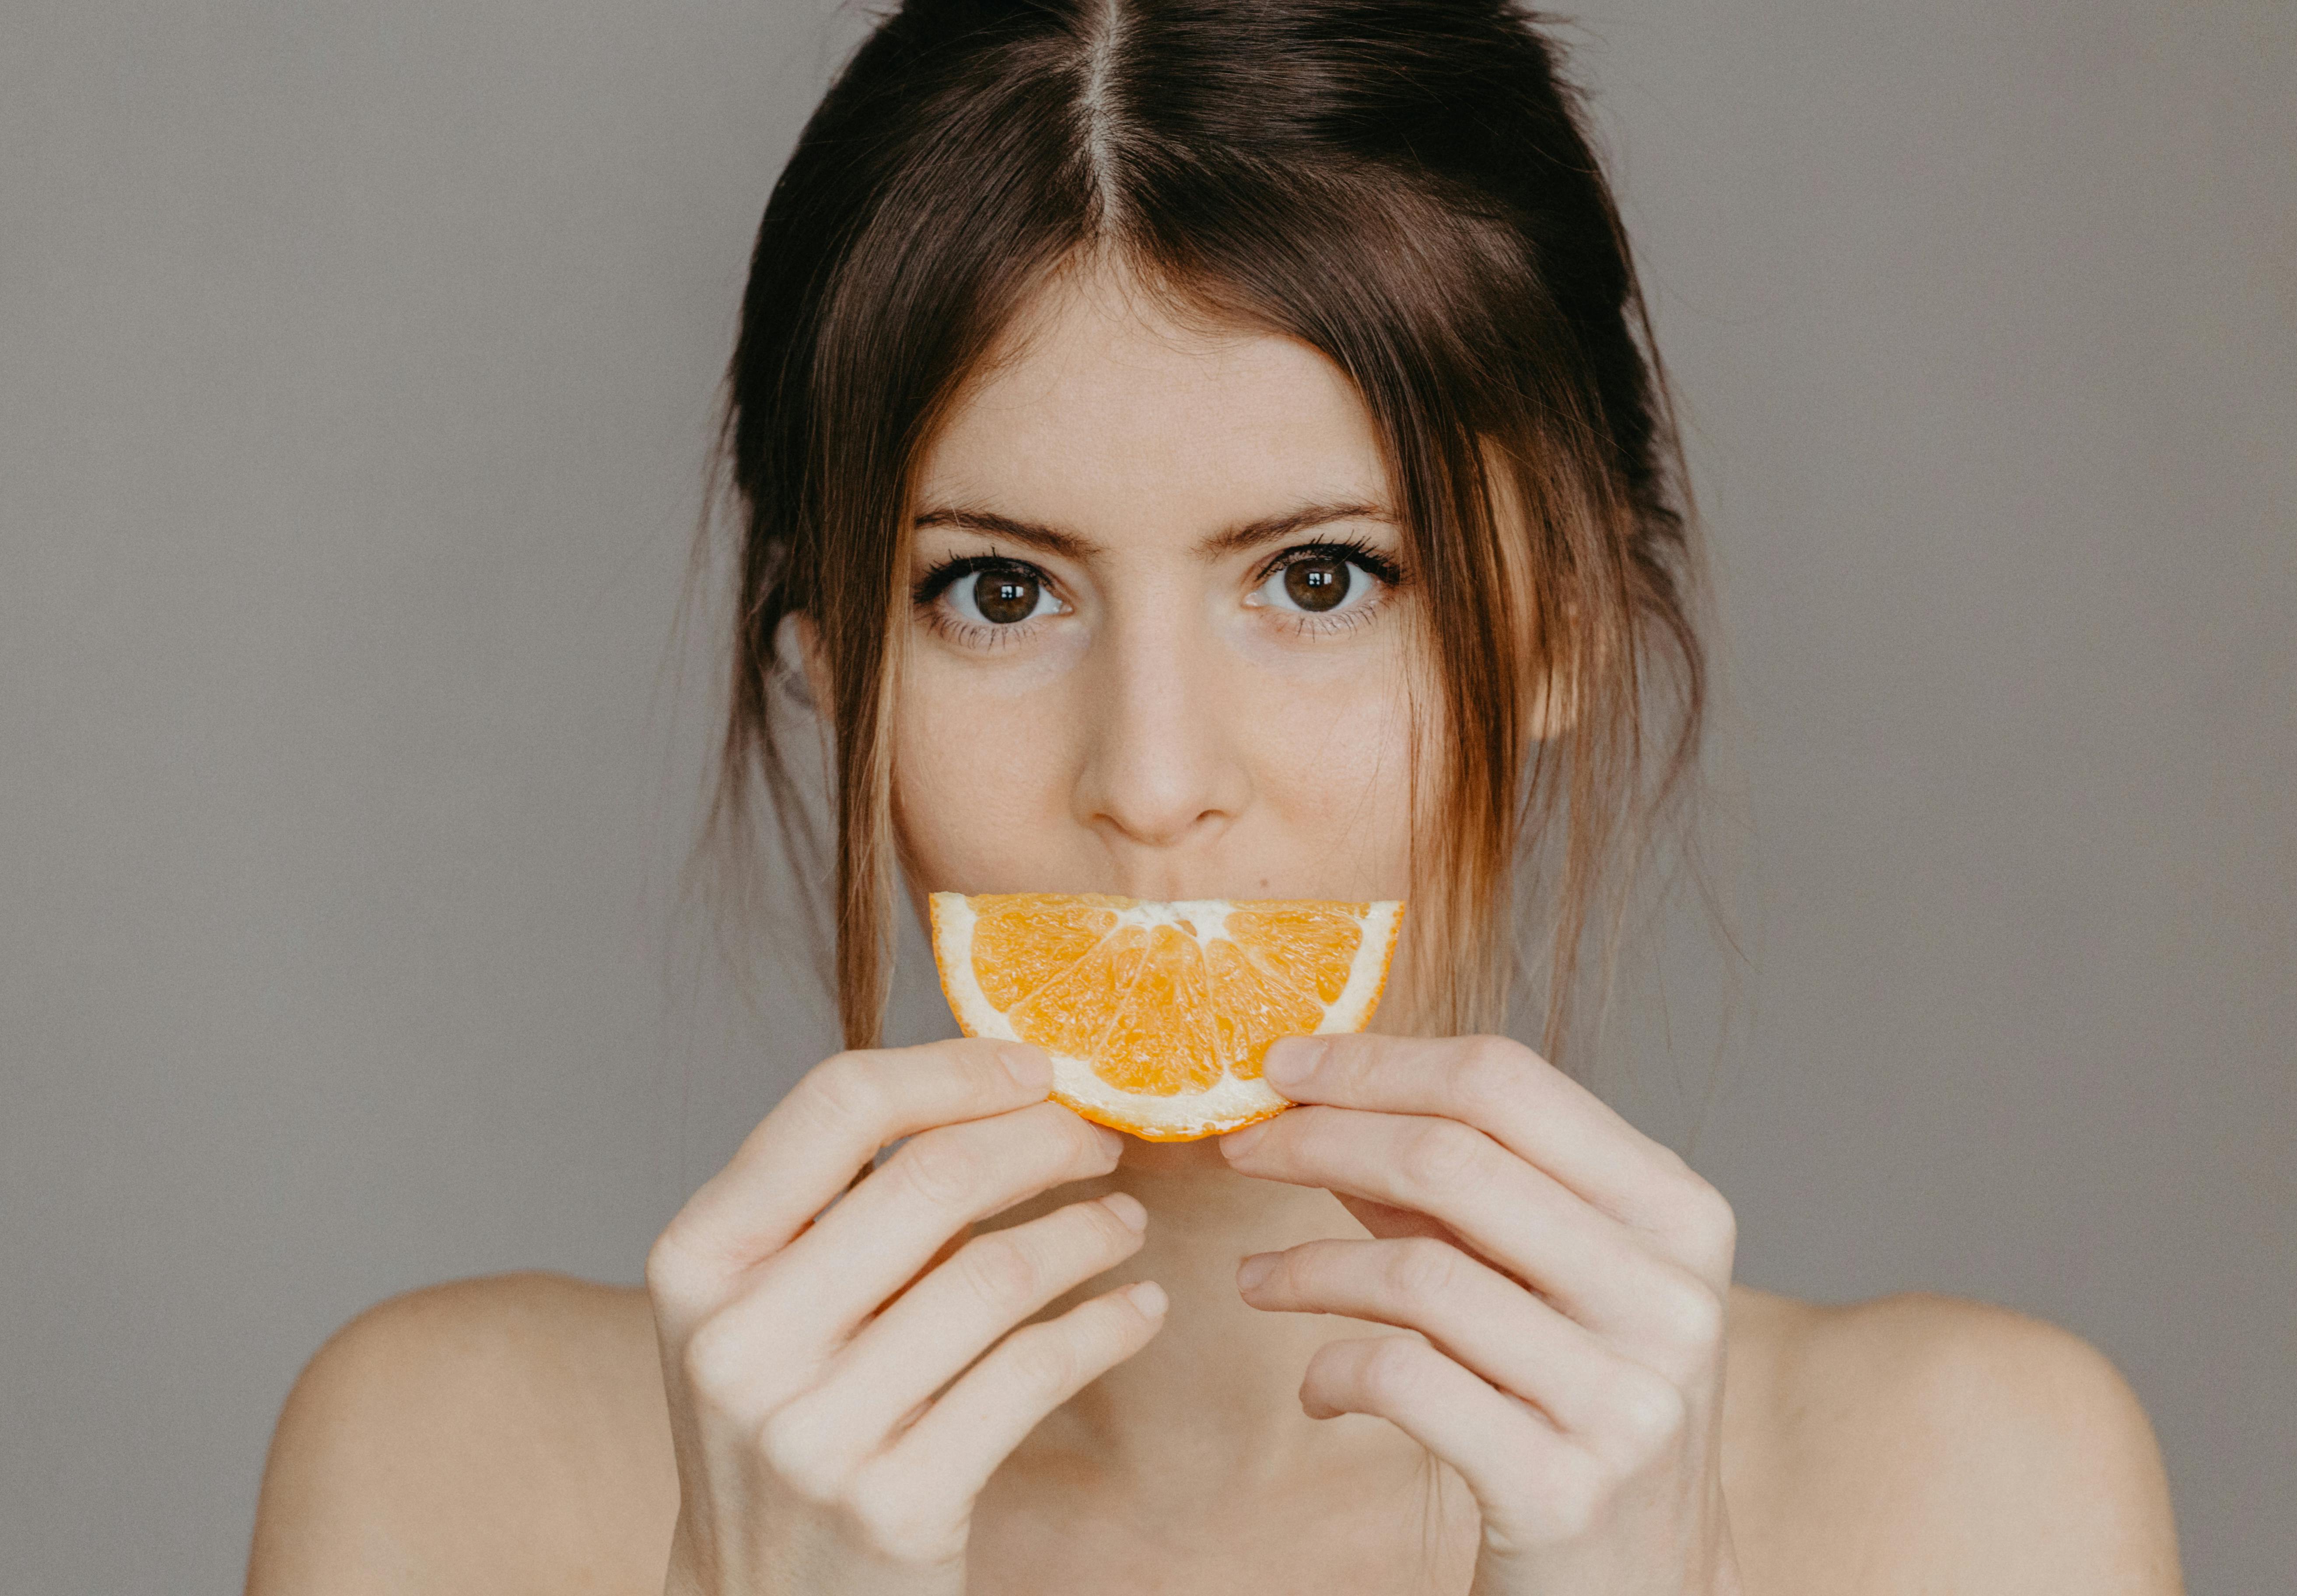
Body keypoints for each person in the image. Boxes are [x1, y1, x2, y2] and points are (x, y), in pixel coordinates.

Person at [244, 1, 2184, 1591]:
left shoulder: (1970, 1500)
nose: (1153, 786)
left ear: (1564, 616)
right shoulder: (449, 1483)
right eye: (994, 592)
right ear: (835, 660)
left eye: (1321, 578)